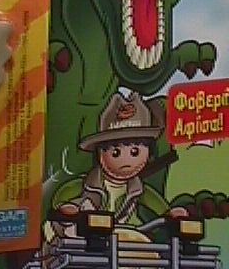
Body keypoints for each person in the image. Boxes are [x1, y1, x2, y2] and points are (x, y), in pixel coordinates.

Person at [49, 92, 187, 232]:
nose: (127, 161)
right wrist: (66, 207)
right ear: (100, 154)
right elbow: (65, 194)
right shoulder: (87, 184)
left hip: (116, 237)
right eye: (115, 153)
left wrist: (169, 212)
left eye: (135, 152)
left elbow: (153, 201)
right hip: (73, 237)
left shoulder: (137, 188)